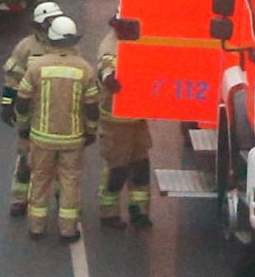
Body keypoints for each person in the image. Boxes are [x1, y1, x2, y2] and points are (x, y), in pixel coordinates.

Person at [11, 13, 98, 243]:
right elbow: (92, 107)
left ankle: (36, 228)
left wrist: (24, 127)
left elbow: (22, 100)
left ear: (51, 39)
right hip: (72, 139)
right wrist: (90, 131)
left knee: (39, 179)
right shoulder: (85, 69)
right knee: (70, 182)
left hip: (41, 138)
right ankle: (68, 231)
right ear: (73, 41)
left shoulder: (37, 67)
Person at [0, 0, 67, 218]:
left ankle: (62, 199)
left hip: (58, 112)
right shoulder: (26, 47)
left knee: (60, 160)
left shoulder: (67, 45)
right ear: (40, 25)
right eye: (49, 21)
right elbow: (12, 79)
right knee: (25, 158)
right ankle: (19, 200)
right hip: (30, 112)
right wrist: (7, 105)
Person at [95, 16, 154, 231]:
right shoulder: (110, 45)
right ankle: (108, 213)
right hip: (116, 121)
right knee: (117, 168)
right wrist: (110, 78)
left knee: (140, 166)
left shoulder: (136, 42)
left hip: (136, 117)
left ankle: (139, 212)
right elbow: (105, 67)